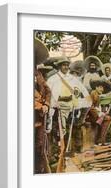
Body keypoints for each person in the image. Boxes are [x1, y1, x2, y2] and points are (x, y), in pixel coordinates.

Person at [46, 56, 92, 146]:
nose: (66, 67)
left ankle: (79, 123)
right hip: (58, 104)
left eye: (67, 65)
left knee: (87, 104)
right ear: (59, 66)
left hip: (71, 103)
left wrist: (87, 97)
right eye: (64, 65)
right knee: (59, 125)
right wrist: (53, 103)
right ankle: (60, 145)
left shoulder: (71, 78)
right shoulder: (53, 79)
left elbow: (82, 88)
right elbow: (49, 92)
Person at [34, 38, 51, 174]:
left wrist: (46, 103)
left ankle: (39, 169)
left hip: (40, 116)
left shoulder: (38, 74)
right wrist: (39, 106)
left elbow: (48, 90)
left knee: (40, 143)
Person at [86, 79, 111, 145]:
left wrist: (105, 110)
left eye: (103, 88)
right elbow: (90, 107)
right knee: (107, 118)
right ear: (96, 87)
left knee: (106, 118)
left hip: (93, 115)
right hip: (88, 116)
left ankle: (100, 139)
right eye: (100, 87)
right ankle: (100, 140)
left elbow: (97, 108)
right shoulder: (93, 93)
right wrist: (99, 114)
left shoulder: (96, 95)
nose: (102, 89)